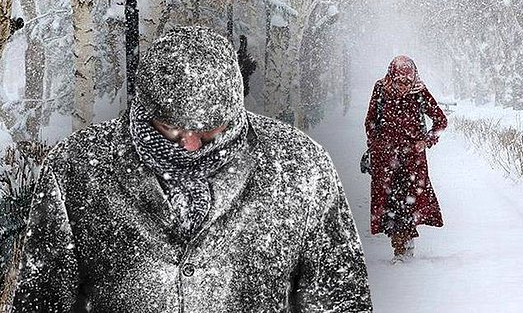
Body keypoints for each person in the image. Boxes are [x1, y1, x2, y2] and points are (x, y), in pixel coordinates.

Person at [11, 26, 372, 312]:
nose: (190, 144)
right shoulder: (77, 167)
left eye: (209, 130)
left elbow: (339, 297)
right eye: (170, 128)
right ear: (145, 107)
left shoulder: (298, 166)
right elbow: (41, 298)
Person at [364, 55, 447, 262]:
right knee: (390, 204)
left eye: (407, 82)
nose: (403, 86)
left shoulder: (419, 92)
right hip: (386, 159)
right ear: (392, 77)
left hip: (413, 161)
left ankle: (403, 246)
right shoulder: (381, 89)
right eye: (399, 81)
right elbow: (370, 121)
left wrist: (426, 141)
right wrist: (376, 144)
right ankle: (399, 245)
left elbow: (440, 121)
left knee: (409, 203)